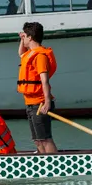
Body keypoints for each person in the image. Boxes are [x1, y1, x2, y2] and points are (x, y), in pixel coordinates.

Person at [18, 22, 58, 153]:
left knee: (45, 139)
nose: (23, 39)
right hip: (30, 103)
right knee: (37, 139)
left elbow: (44, 80)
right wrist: (21, 39)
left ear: (30, 38)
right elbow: (21, 53)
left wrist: (47, 101)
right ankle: (43, 161)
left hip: (39, 103)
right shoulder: (30, 54)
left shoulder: (40, 56)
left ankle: (54, 164)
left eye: (25, 36)